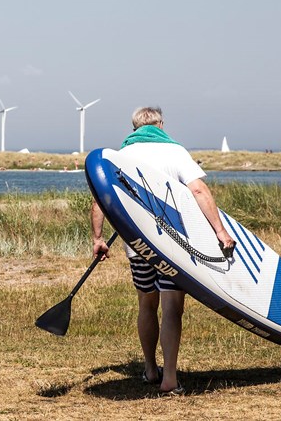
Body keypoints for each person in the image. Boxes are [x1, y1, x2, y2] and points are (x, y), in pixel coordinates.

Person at [90, 106, 236, 394]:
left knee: (146, 304)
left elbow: (100, 199)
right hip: (175, 247)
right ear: (161, 124)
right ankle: (169, 377)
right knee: (172, 308)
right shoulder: (175, 152)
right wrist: (220, 231)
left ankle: (149, 368)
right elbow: (198, 191)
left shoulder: (121, 156)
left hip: (138, 245)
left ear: (134, 129)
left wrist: (98, 238)